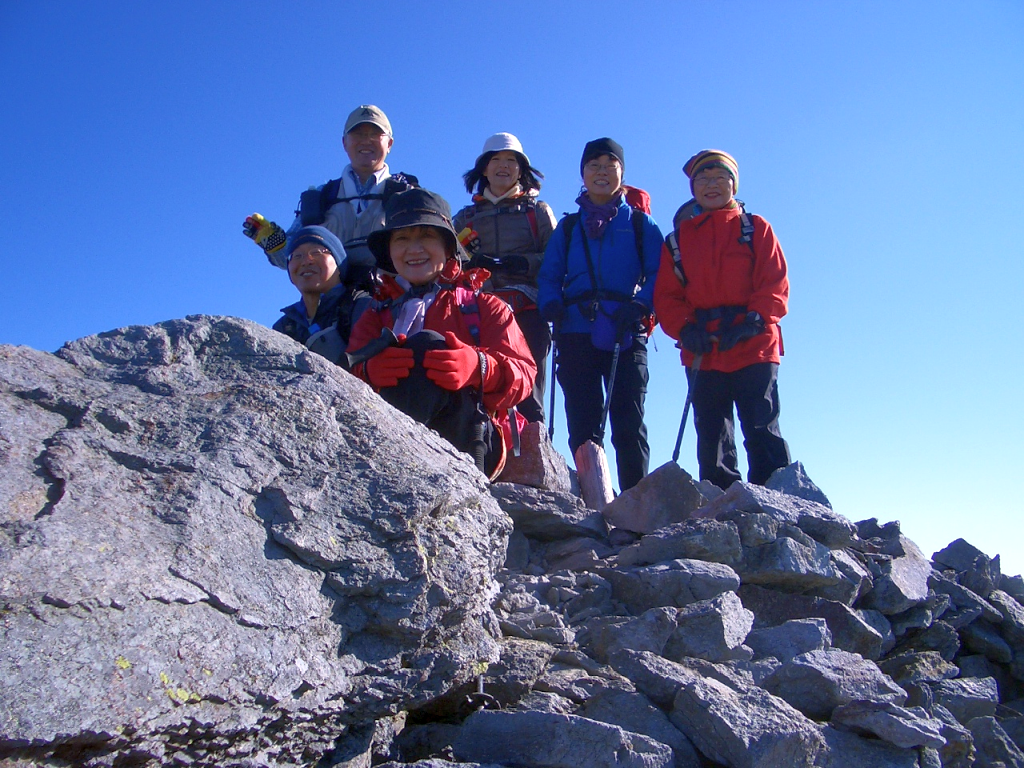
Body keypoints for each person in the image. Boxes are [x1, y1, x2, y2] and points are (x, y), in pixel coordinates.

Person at [346, 188, 536, 479]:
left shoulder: (485, 306)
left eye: (426, 236)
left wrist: (478, 367)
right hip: (387, 436)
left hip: (473, 440)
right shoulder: (374, 314)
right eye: (402, 239)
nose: (414, 248)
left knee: (427, 345)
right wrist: (367, 372)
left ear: (448, 247)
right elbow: (344, 375)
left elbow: (524, 374)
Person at [654, 149, 791, 489]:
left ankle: (776, 502)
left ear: (734, 184)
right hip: (705, 348)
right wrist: (685, 329)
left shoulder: (755, 228)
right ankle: (721, 503)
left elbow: (775, 282)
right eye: (702, 179)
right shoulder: (677, 240)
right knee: (712, 432)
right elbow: (667, 296)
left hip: (754, 343)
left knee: (762, 426)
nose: (711, 185)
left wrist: (754, 321)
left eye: (720, 178)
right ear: (692, 188)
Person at [536, 138, 663, 492]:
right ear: (582, 173)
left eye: (610, 164)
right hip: (575, 328)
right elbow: (549, 274)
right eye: (594, 165)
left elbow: (659, 274)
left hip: (626, 327)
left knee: (629, 420)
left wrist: (641, 305)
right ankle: (596, 501)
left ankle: (635, 504)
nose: (602, 171)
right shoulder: (569, 227)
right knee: (583, 420)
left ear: (622, 172)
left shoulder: (641, 224)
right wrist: (550, 302)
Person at [453, 133, 557, 424]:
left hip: (528, 312)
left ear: (521, 169)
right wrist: (472, 266)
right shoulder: (463, 219)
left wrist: (523, 263)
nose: (503, 165)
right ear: (483, 169)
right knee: (481, 394)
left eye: (511, 160)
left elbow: (556, 259)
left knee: (528, 398)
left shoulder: (538, 212)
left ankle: (535, 463)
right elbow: (450, 263)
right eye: (495, 159)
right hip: (479, 315)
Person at [244, 104, 418, 276]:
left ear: (390, 143)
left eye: (375, 133)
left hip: (393, 300)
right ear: (344, 142)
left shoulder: (407, 194)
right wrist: (277, 246)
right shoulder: (321, 196)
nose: (366, 140)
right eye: (358, 133)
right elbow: (290, 258)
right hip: (330, 301)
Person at [272, 226, 370, 366]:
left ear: (339, 263)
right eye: (297, 256)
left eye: (316, 252)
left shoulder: (363, 307)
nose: (306, 261)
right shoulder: (285, 325)